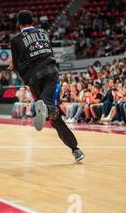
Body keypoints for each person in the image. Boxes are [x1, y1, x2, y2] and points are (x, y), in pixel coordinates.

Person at [9, 10, 85, 162]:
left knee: (50, 112)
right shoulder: (43, 32)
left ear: (18, 24)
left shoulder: (16, 40)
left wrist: (14, 66)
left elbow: (17, 64)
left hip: (34, 77)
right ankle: (75, 149)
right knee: (53, 112)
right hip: (51, 72)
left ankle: (44, 107)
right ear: (33, 21)